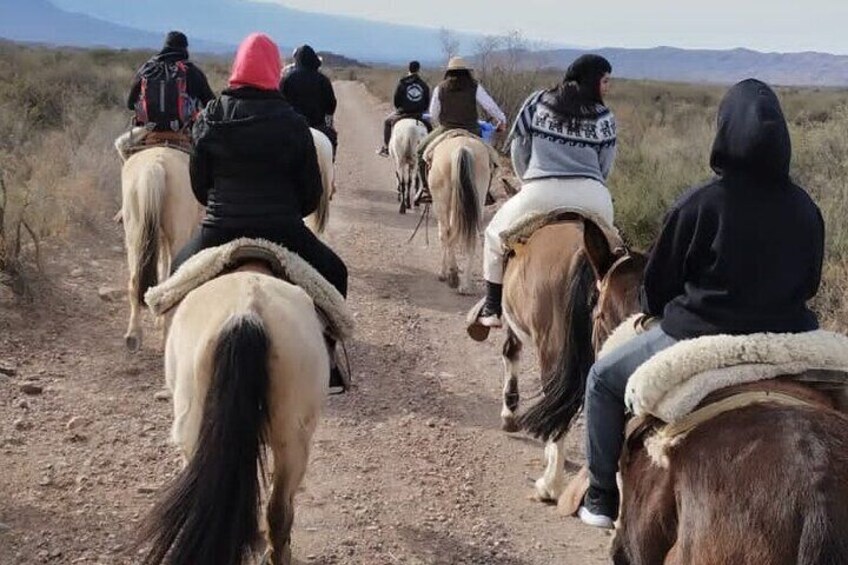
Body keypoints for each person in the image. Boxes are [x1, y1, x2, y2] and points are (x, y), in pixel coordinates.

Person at [578, 78, 825, 529]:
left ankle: (599, 497)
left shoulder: (699, 204)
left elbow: (657, 288)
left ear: (724, 131)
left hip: (700, 334)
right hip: (792, 336)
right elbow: (810, 283)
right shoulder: (806, 208)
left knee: (601, 381)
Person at [170, 33, 350, 393]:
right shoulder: (294, 123)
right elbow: (310, 196)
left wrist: (222, 207)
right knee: (335, 272)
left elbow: (199, 186)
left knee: (175, 278)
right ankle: (328, 364)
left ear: (237, 67)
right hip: (282, 229)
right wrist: (286, 212)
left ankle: (178, 365)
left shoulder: (209, 117)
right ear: (272, 70)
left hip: (219, 229)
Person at [471, 54, 617, 330]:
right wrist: (592, 182)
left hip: (542, 192)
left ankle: (492, 307)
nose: (607, 87)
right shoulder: (604, 116)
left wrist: (528, 178)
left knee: (494, 236)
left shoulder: (538, 101)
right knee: (614, 249)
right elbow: (605, 164)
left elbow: (518, 146)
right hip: (593, 196)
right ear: (592, 80)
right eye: (605, 80)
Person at [415, 56, 507, 202]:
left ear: (449, 71)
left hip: (446, 128)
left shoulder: (441, 88)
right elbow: (489, 106)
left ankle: (426, 189)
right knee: (493, 161)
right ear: (466, 71)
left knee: (420, 152)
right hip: (472, 129)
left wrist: (443, 122)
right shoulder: (475, 86)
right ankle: (485, 191)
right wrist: (501, 120)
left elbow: (433, 114)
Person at [126, 31, 215, 133]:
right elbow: (210, 105)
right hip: (184, 131)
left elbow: (130, 104)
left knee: (121, 146)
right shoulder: (192, 71)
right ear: (185, 48)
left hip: (148, 130)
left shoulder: (147, 69)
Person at [280, 45, 338, 154]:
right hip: (318, 127)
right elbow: (331, 106)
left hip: (293, 129)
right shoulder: (323, 80)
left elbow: (280, 104)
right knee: (331, 142)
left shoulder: (286, 79)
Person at [376, 61, 432, 157]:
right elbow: (427, 103)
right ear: (419, 70)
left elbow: (396, 101)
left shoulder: (402, 83)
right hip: (419, 114)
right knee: (430, 128)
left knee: (387, 122)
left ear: (408, 69)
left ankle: (386, 148)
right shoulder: (424, 85)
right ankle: (431, 151)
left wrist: (401, 109)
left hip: (403, 113)